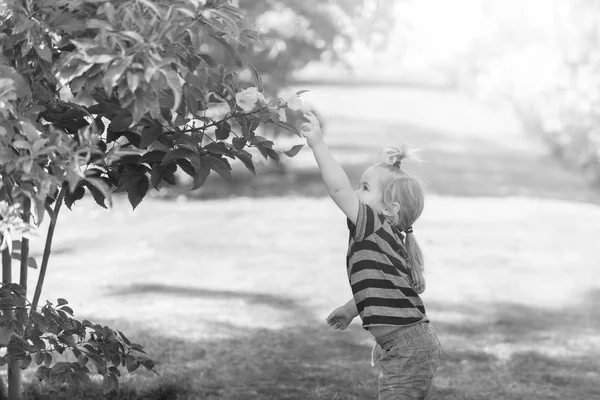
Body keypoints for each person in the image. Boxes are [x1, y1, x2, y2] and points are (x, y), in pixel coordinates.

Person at [300, 112, 441, 399]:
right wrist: (351, 309)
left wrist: (317, 144)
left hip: (407, 348)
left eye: (364, 188)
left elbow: (337, 188)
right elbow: (381, 285)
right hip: (410, 346)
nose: (355, 192)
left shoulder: (373, 226)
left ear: (390, 209)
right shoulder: (385, 236)